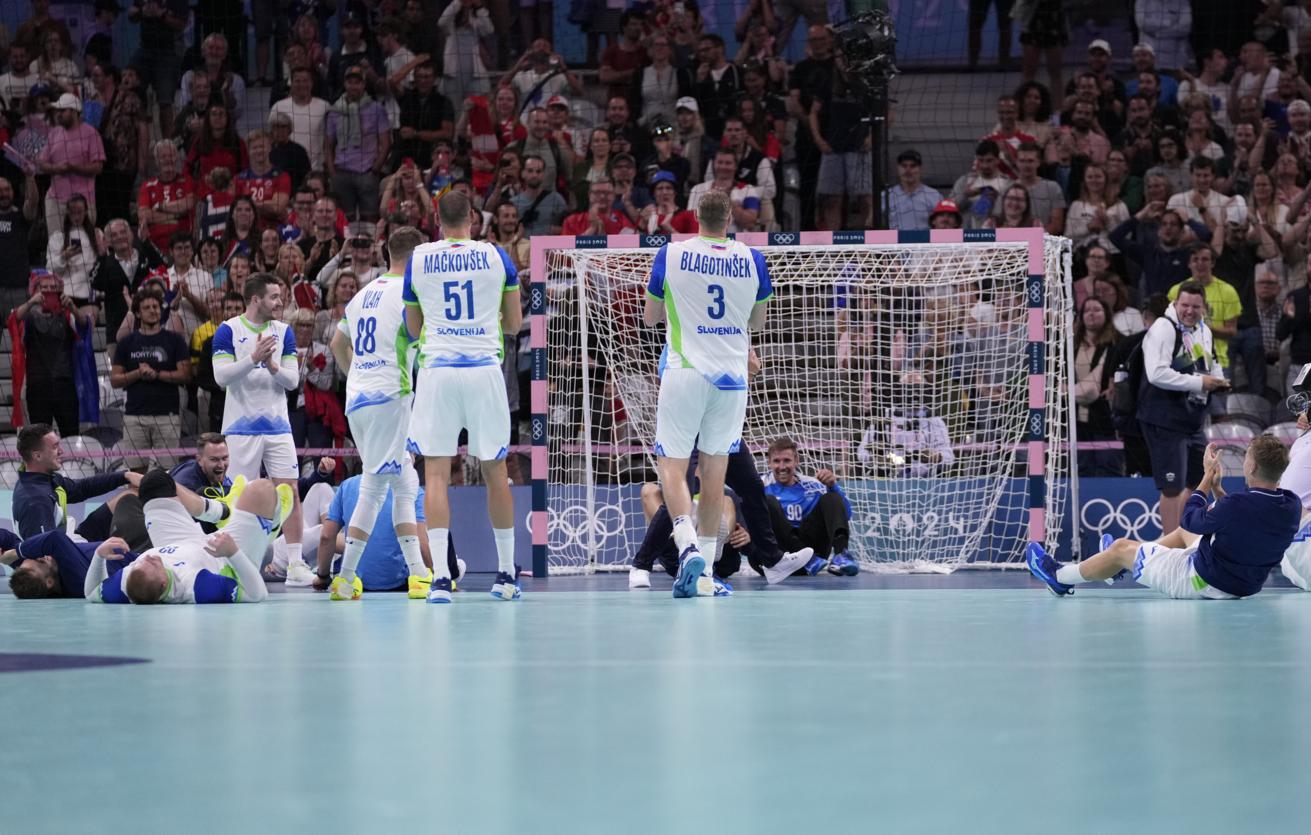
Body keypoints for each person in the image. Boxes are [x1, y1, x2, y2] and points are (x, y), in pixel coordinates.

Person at [643, 189, 813, 597]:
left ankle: (687, 546)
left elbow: (649, 318)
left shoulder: (671, 253)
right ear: (730, 219)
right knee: (715, 476)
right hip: (732, 380)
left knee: (672, 467)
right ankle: (704, 575)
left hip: (686, 371)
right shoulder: (753, 259)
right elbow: (758, 321)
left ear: (695, 216)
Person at [404, 191, 523, 603]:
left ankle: (440, 579)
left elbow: (413, 327)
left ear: (436, 219)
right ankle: (506, 575)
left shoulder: (419, 258)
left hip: (438, 372)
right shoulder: (497, 256)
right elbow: (514, 324)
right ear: (473, 217)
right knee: (496, 472)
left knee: (436, 475)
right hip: (483, 370)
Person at [1028, 438, 1300, 600]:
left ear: (1251, 466)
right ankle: (1121, 564)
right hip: (1244, 583)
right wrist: (1218, 490)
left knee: (1121, 547)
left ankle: (1060, 577)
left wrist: (1206, 478)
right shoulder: (1291, 504)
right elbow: (1240, 518)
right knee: (1183, 536)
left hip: (1203, 582)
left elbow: (1190, 517)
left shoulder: (1236, 505)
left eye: (1246, 459)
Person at [322, 226, 429, 601]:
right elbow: (423, 344)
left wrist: (357, 375)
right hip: (390, 397)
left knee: (404, 480)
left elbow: (337, 344)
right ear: (416, 258)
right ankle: (345, 577)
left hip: (358, 400)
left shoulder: (361, 295)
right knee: (374, 486)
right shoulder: (410, 296)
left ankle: (418, 575)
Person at [211, 272, 314, 586]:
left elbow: (292, 381)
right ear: (255, 299)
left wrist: (271, 366)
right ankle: (232, 563)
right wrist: (253, 358)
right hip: (239, 429)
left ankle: (295, 564)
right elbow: (221, 377)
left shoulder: (284, 332)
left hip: (278, 427)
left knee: (290, 491)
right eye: (274, 297)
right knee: (237, 496)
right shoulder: (228, 330)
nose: (280, 302)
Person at [85, 469, 288, 604]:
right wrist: (233, 552)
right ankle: (271, 526)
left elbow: (91, 593)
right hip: (223, 552)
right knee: (261, 489)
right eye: (153, 564)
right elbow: (258, 594)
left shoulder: (128, 584)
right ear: (164, 584)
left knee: (154, 482)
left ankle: (222, 510)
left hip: (178, 541)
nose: (150, 557)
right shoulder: (197, 587)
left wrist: (98, 556)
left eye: (141, 562)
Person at [1137, 281, 1230, 534]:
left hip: (1193, 420)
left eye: (1195, 307)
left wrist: (1218, 380)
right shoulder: (1162, 328)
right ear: (1176, 303)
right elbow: (1156, 374)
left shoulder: (1204, 330)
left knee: (1197, 481)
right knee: (1172, 487)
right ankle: (1170, 544)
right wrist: (1200, 382)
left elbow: (1210, 363)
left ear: (1204, 307)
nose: (1189, 311)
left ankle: (1185, 536)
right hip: (1164, 418)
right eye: (1185, 305)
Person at [10, 423, 141, 539]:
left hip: (68, 540)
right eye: (55, 447)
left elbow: (81, 488)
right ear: (37, 455)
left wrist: (125, 476)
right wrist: (96, 550)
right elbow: (44, 554)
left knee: (129, 495)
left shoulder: (41, 478)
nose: (61, 451)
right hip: (66, 553)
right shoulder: (36, 501)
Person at [762, 436, 857, 576]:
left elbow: (846, 515)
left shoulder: (813, 485)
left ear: (796, 461)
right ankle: (807, 560)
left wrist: (833, 486)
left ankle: (841, 556)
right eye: (776, 461)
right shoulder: (760, 486)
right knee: (767, 502)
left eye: (787, 460)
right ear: (769, 463)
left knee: (831, 496)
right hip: (778, 556)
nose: (782, 467)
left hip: (814, 556)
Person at [325, 65, 390, 223]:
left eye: (357, 82)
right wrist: (333, 173)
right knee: (344, 220)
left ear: (364, 84)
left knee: (370, 218)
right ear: (344, 84)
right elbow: (328, 146)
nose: (354, 86)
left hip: (367, 172)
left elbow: (386, 143)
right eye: (350, 82)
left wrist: (375, 168)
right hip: (342, 173)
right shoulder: (334, 111)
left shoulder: (376, 109)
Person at [37, 93, 105, 233]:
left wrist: (74, 168)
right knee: (56, 241)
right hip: (55, 200)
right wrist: (57, 168)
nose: (58, 114)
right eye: (58, 111)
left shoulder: (91, 133)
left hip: (83, 201)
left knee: (83, 242)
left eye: (63, 110)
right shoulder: (54, 133)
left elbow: (98, 167)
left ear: (74, 111)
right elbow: (42, 163)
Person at [269, 67, 330, 173]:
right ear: (291, 83)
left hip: (315, 171)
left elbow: (328, 141)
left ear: (312, 83)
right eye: (297, 81)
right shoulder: (278, 107)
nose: (302, 84)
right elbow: (271, 138)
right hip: (284, 170)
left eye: (305, 80)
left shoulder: (324, 106)